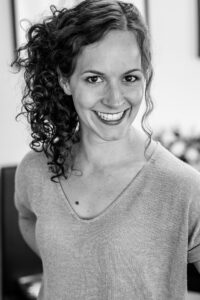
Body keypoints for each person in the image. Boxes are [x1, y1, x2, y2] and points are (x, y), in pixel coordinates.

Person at [12, 0, 200, 299]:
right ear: (65, 80)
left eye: (129, 78)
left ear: (145, 77)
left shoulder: (182, 187)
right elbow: (28, 218)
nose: (114, 99)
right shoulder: (35, 169)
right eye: (94, 78)